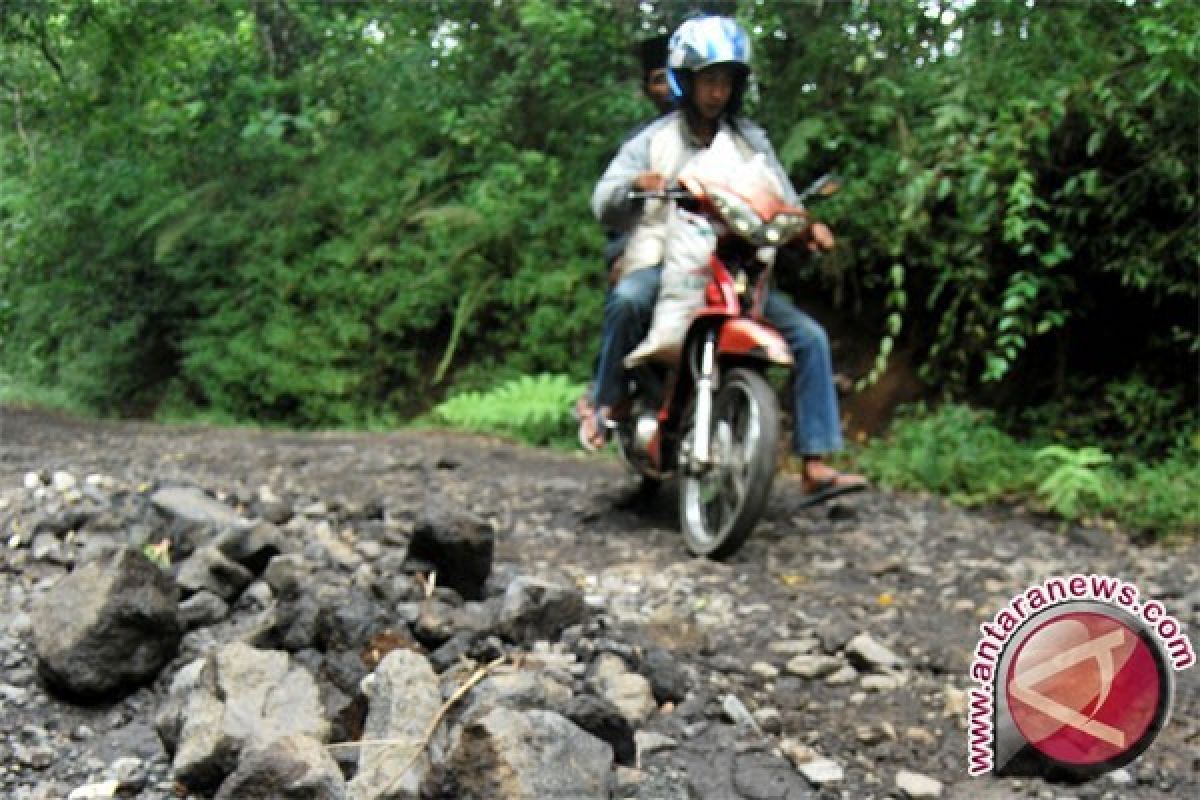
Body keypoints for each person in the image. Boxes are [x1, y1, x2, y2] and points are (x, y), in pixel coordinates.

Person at [579, 14, 866, 505]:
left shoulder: (750, 140)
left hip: (735, 270)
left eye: (726, 81)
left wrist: (806, 225)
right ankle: (609, 401)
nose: (717, 92)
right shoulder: (654, 139)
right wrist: (636, 185)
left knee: (809, 337)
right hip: (669, 262)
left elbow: (781, 196)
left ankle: (815, 463)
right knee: (628, 299)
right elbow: (603, 198)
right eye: (709, 80)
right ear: (685, 81)